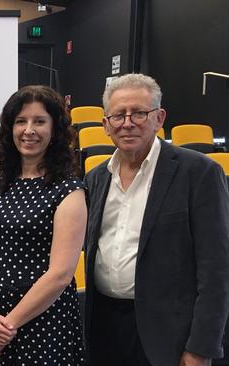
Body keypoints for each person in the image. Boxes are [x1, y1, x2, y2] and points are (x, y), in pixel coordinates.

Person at [84, 73, 229, 366]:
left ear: (159, 118)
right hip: (103, 326)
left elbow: (217, 269)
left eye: (139, 113)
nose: (127, 122)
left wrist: (201, 347)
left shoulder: (199, 173)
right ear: (105, 124)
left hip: (169, 335)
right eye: (118, 115)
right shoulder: (95, 178)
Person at [0, 85, 87, 365]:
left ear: (55, 130)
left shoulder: (68, 190)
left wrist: (7, 327)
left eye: (39, 121)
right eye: (21, 121)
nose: (28, 130)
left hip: (41, 323)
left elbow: (60, 274)